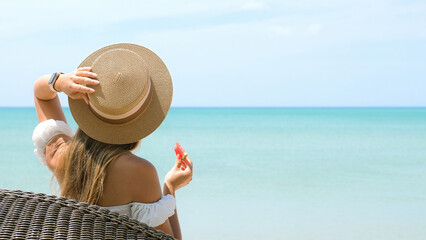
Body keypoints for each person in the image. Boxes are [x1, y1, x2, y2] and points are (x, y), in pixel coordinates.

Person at [32, 43, 193, 239]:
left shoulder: (60, 154)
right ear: (143, 121)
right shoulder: (140, 171)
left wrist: (60, 81)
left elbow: (42, 96)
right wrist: (169, 188)